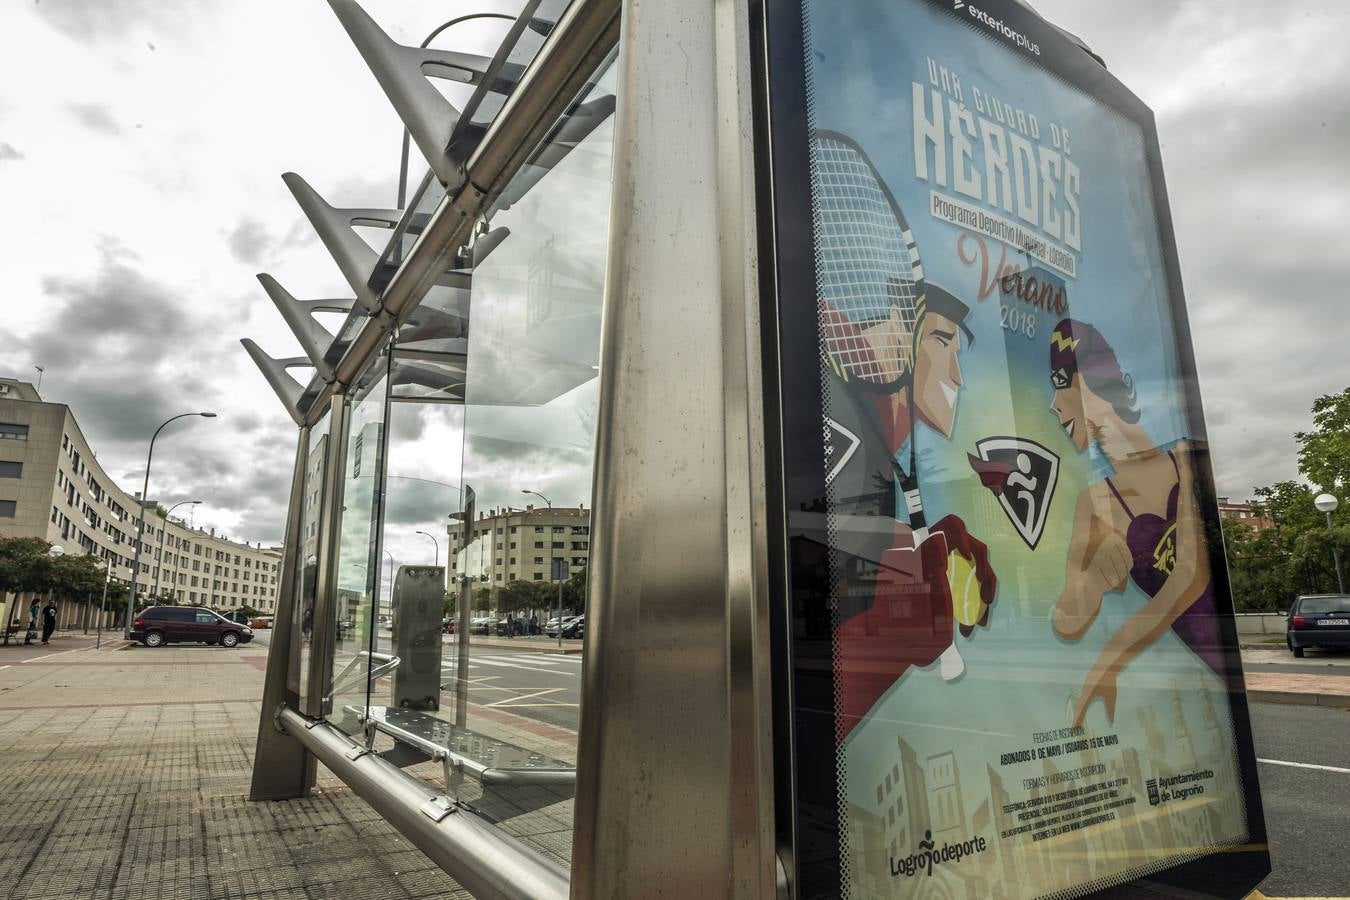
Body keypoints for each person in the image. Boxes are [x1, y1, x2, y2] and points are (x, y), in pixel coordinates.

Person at [826, 282, 997, 740]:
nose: (957, 375)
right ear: (901, 331)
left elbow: (841, 545)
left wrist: (911, 557)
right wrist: (889, 628)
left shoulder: (873, 424)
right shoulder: (844, 412)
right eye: (941, 341)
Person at [1047, 319, 1222, 727]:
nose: (1054, 405)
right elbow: (1066, 622)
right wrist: (1091, 580)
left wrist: (1107, 664)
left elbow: (1190, 576)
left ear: (1091, 385)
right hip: (1205, 671)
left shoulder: (1184, 459)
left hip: (1226, 660)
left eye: (1060, 384)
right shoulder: (1094, 503)